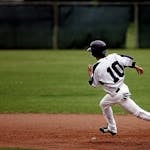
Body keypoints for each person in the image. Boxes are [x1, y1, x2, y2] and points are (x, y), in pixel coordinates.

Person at [87, 40, 150, 136]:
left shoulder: (97, 67)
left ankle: (112, 127)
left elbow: (94, 84)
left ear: (94, 53)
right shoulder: (114, 56)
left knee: (139, 113)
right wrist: (136, 67)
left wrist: (90, 72)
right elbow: (127, 61)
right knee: (104, 104)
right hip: (122, 89)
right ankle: (112, 128)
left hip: (117, 95)